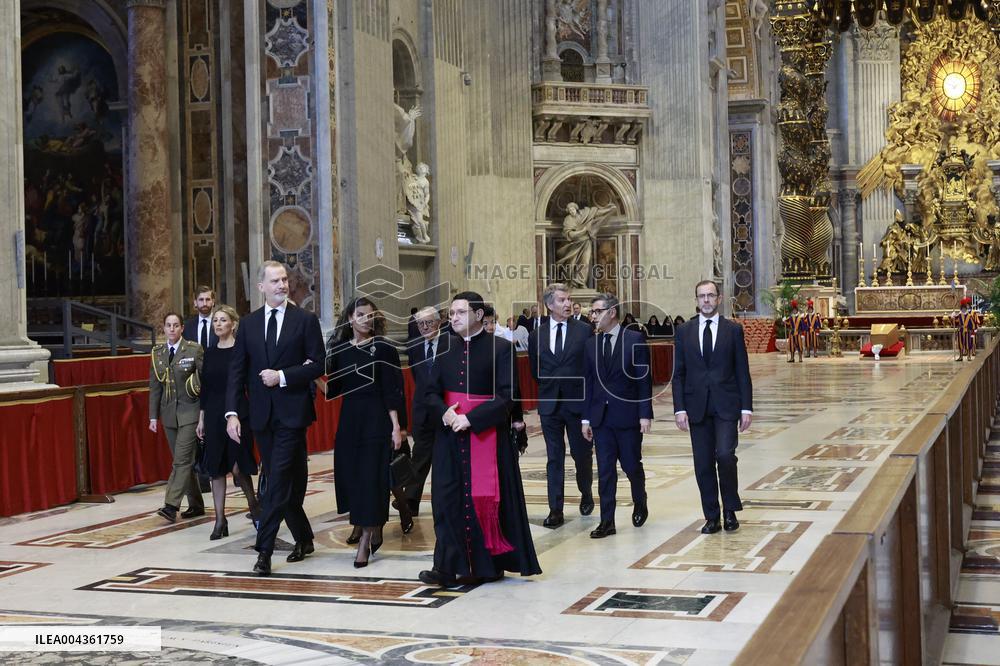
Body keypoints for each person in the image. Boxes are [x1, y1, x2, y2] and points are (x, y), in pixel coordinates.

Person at [419, 291, 541, 586]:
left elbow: (506, 395)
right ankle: (446, 566)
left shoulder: (501, 348)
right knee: (446, 499)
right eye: (451, 313)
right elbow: (430, 392)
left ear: (478, 315)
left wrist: (471, 419)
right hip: (449, 436)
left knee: (483, 499)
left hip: (486, 435)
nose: (453, 318)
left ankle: (486, 565)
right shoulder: (444, 347)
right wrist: (446, 413)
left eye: (460, 312)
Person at [225, 261, 325, 576]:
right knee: (287, 483)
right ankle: (304, 538)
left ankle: (264, 551)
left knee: (275, 482)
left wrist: (281, 376)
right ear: (261, 287)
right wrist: (232, 413)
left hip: (293, 414)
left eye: (284, 280)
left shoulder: (305, 320)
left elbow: (318, 364)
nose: (282, 285)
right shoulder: (248, 324)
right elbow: (237, 371)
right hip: (261, 417)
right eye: (275, 281)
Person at [326, 297, 405, 567]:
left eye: (370, 315)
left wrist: (396, 427)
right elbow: (333, 389)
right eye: (360, 314)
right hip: (350, 422)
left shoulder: (384, 348)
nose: (365, 319)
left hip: (377, 420)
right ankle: (371, 524)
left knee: (372, 480)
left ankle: (365, 542)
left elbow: (392, 389)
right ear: (350, 318)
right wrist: (309, 374)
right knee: (352, 478)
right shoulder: (340, 350)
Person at [672, 280, 753, 535]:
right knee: (703, 463)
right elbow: (678, 373)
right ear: (696, 300)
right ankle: (712, 516)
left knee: (726, 455)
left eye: (710, 295)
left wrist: (746, 408)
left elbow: (742, 371)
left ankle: (730, 510)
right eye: (701, 296)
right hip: (696, 405)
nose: (706, 300)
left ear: (719, 298)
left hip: (726, 404)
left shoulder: (733, 330)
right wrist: (679, 408)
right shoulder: (684, 331)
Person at [581, 294, 652, 538]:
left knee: (631, 465)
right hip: (601, 418)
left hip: (627, 416)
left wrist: (645, 414)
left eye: (597, 311)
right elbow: (588, 383)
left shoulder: (634, 339)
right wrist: (586, 419)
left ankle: (640, 501)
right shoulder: (591, 344)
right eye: (592, 312)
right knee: (605, 470)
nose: (593, 316)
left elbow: (643, 380)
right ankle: (607, 521)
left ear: (611, 312)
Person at [528, 283, 594, 528]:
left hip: (577, 404)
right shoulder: (536, 335)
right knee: (554, 458)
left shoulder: (584, 331)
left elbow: (590, 369)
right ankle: (555, 508)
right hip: (549, 405)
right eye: (562, 300)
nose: (568, 304)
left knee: (581, 454)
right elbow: (535, 370)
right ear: (549, 305)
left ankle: (586, 492)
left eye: (569, 299)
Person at [196, 305, 259, 540]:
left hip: (238, 413)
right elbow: (205, 388)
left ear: (233, 324)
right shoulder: (210, 352)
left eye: (223, 320)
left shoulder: (241, 351)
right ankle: (220, 520)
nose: (218, 324)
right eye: (215, 321)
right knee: (216, 469)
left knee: (239, 467)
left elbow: (249, 384)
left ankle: (254, 507)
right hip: (213, 414)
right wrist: (201, 418)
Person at [149, 313, 205, 523]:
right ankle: (196, 504)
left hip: (190, 411)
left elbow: (204, 380)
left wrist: (204, 414)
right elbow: (155, 387)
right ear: (163, 328)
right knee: (183, 461)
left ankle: (171, 505)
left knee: (182, 460)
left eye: (175, 325)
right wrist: (153, 417)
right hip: (169, 414)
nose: (171, 329)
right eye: (168, 325)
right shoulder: (158, 353)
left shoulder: (193, 349)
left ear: (182, 328)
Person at [402, 305, 445, 518]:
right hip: (422, 409)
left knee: (444, 459)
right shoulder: (415, 346)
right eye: (421, 324)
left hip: (445, 408)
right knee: (419, 454)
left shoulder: (450, 343)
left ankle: (444, 502)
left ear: (439, 322)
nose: (425, 327)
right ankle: (410, 501)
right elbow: (416, 375)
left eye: (429, 322)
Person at [954, 297, 981, 361]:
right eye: (962, 308)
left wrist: (973, 331)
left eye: (964, 308)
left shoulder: (969, 315)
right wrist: (953, 317)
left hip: (968, 331)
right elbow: (955, 322)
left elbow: (973, 324)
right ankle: (961, 357)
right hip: (960, 331)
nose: (963, 309)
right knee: (960, 344)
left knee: (968, 344)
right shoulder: (959, 315)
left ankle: (969, 356)